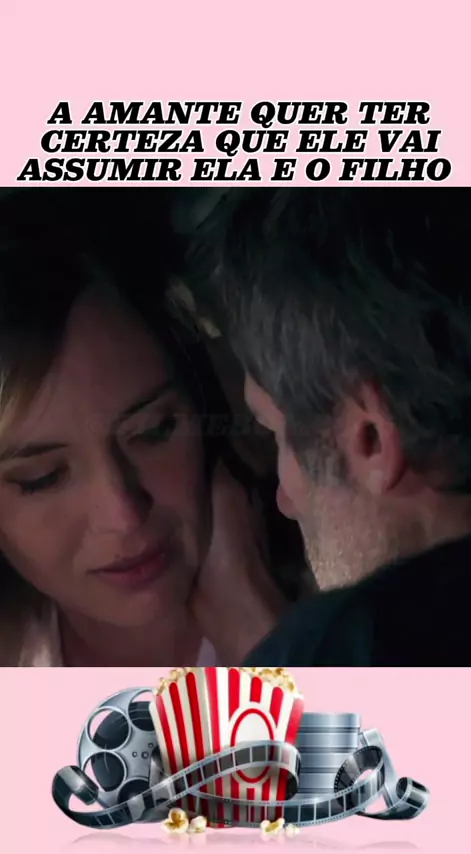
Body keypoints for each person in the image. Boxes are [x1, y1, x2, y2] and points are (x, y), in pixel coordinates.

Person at [0, 192, 310, 667]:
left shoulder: (365, 600)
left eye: (153, 432)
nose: (124, 514)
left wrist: (255, 628)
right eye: (42, 477)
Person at [184, 187, 471, 665]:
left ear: (371, 438)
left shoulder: (351, 649)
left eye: (276, 434)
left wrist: (265, 639)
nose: (283, 501)